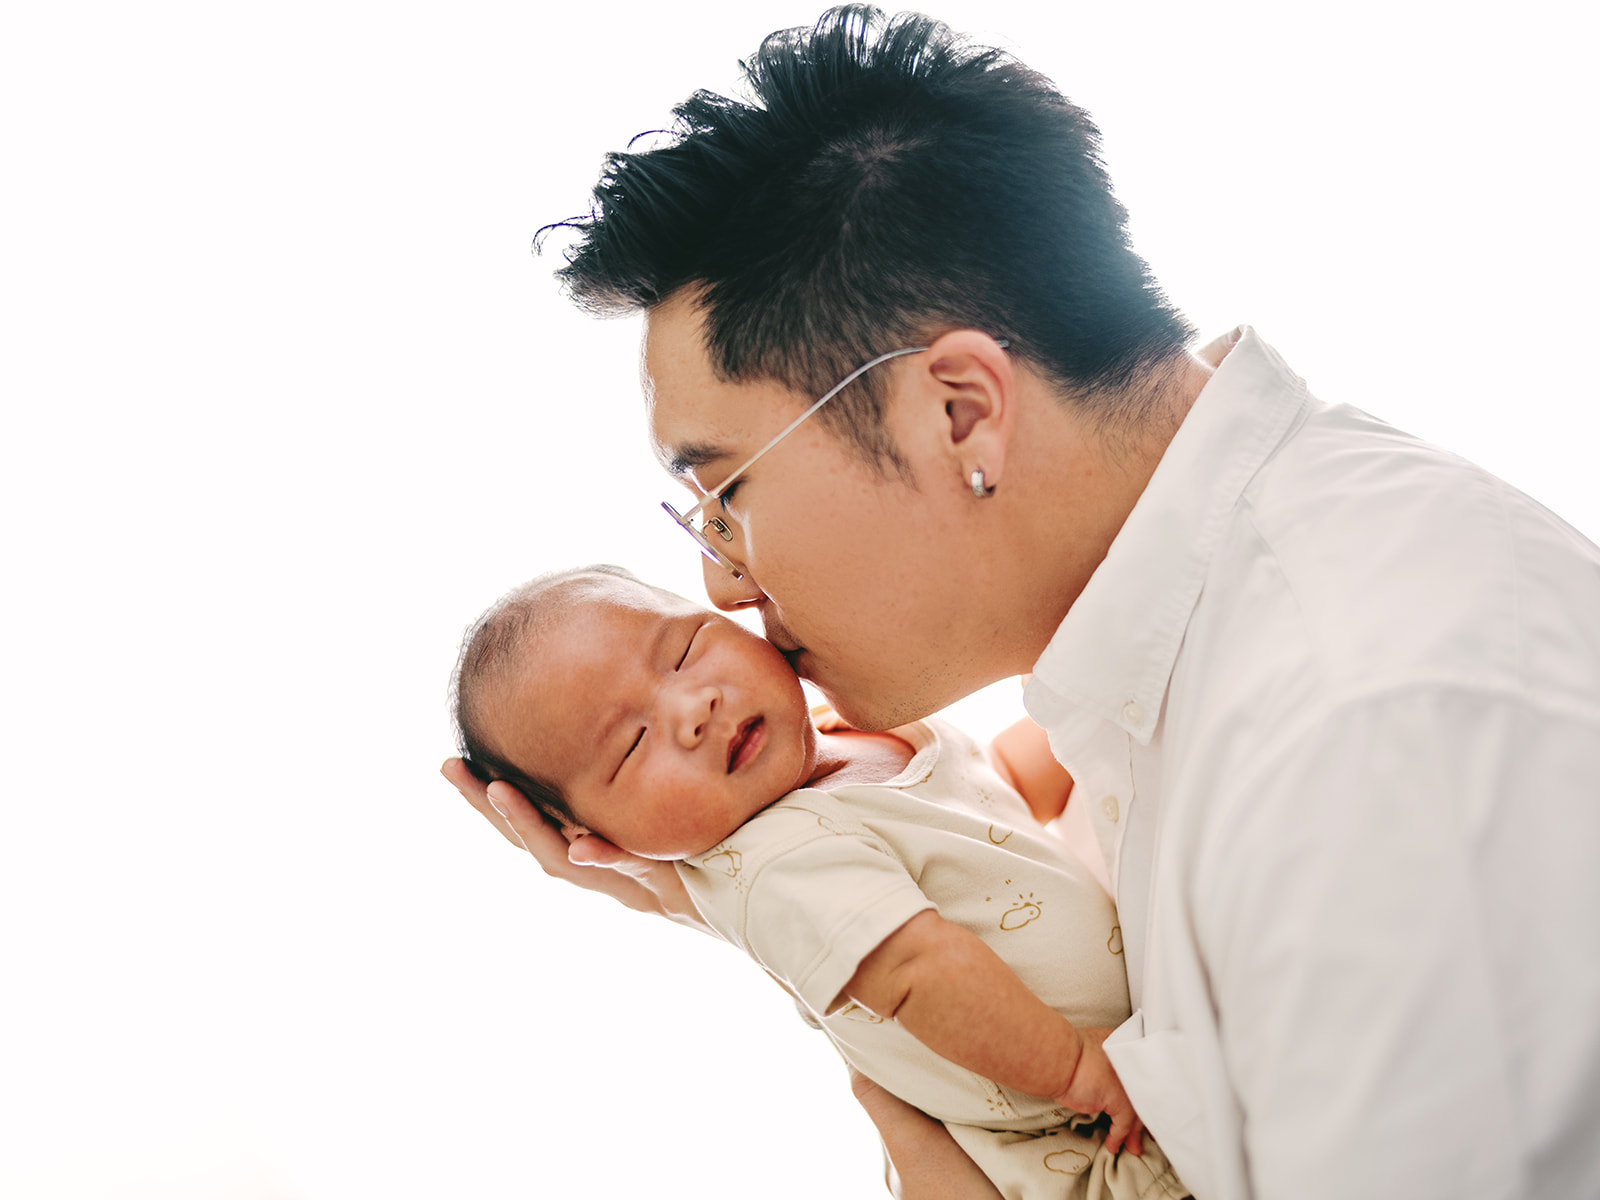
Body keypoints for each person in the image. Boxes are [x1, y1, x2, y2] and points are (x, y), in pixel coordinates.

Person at [443, 7, 1600, 1197]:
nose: (724, 580)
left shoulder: (1372, 732)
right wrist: (736, 897)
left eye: (725, 492)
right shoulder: (1184, 665)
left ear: (957, 412)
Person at [451, 563, 1188, 1200]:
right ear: (600, 839)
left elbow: (997, 794)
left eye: (683, 649)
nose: (691, 709)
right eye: (631, 744)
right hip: (1098, 1143)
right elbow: (916, 973)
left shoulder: (851, 730)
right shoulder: (775, 861)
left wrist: (1097, 697)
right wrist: (1075, 1069)